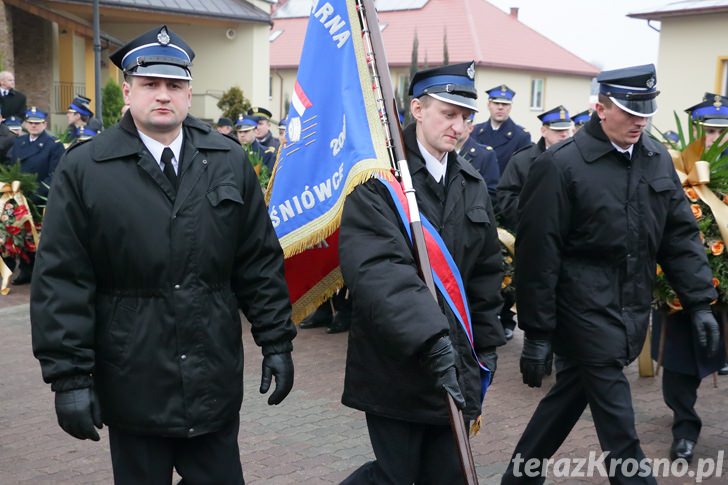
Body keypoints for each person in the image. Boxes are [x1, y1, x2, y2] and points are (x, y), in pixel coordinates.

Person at [30, 25, 296, 484]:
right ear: (127, 90)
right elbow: (62, 278)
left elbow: (257, 262)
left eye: (174, 85)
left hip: (212, 380)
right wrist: (69, 377)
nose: (162, 95)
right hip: (133, 383)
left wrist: (276, 340)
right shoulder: (86, 168)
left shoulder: (227, 159)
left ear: (189, 95)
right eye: (150, 84)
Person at [502, 64, 720, 484]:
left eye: (646, 111)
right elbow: (537, 255)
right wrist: (538, 333)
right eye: (629, 110)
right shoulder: (560, 166)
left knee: (568, 398)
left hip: (631, 309)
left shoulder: (656, 160)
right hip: (581, 310)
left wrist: (699, 303)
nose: (640, 120)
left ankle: (518, 476)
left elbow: (679, 236)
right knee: (620, 430)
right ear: (601, 108)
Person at [339, 61, 504, 484]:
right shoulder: (377, 180)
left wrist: (486, 346)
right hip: (397, 364)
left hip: (458, 366)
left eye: (467, 117)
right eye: (449, 114)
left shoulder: (472, 182)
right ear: (416, 108)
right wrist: (432, 341)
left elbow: (484, 276)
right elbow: (378, 272)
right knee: (395, 477)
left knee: (448, 475)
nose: (460, 127)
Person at [649, 95, 728, 463]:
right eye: (708, 131)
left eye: (722, 132)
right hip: (682, 287)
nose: (714, 139)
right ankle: (684, 428)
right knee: (681, 363)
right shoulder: (671, 170)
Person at [5, 107, 65, 285]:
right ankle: (25, 269)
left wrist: (37, 194)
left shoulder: (53, 144)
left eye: (37, 123)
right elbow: (11, 167)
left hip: (40, 198)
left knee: (37, 236)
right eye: (30, 123)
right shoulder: (20, 142)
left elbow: (55, 174)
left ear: (44, 124)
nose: (33, 126)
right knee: (19, 234)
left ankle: (42, 272)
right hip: (19, 195)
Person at [496, 105, 573, 233]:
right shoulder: (522, 160)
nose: (564, 134)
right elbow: (506, 196)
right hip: (531, 231)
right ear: (543, 131)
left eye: (566, 130)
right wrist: (532, 215)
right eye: (558, 130)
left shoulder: (577, 159)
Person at [471, 84, 531, 175]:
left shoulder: (521, 136)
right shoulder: (475, 131)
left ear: (510, 107)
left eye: (505, 104)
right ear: (488, 105)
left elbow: (522, 171)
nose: (500, 107)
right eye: (496, 103)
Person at [457, 114, 500, 199]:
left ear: (470, 128)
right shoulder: (442, 151)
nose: (456, 128)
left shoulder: (485, 155)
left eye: (462, 124)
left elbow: (491, 192)